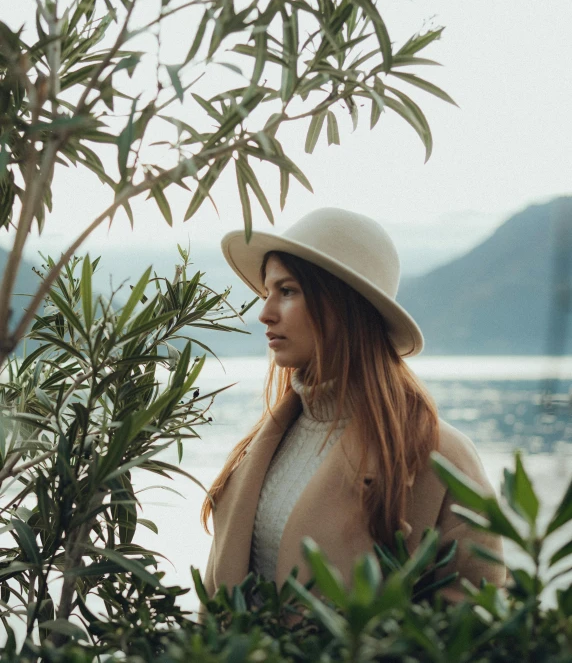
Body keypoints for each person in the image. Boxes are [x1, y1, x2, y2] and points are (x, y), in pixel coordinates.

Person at [200, 207, 505, 602]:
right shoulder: (260, 447)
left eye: (287, 291)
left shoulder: (439, 457)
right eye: (266, 292)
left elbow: (474, 622)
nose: (264, 313)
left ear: (341, 305)